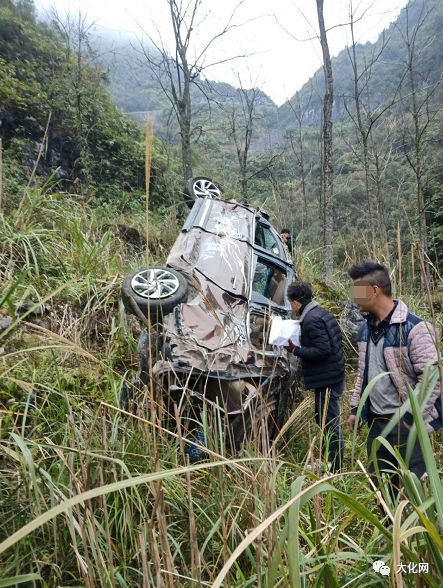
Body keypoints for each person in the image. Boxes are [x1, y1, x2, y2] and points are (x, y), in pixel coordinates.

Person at [347, 260, 441, 492]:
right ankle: (388, 526)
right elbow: (364, 373)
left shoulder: (415, 328)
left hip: (406, 425)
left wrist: (411, 418)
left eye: (357, 291)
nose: (354, 297)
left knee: (416, 488)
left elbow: (431, 380)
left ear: (374, 290)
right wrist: (356, 408)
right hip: (377, 423)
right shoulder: (364, 329)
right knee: (380, 487)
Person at [287, 281, 345, 472]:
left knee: (329, 422)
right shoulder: (321, 312)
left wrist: (296, 350)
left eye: (291, 302)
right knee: (323, 419)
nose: (291, 306)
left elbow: (323, 349)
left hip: (327, 379)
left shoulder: (311, 320)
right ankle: (329, 460)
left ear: (296, 302)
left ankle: (335, 468)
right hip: (332, 374)